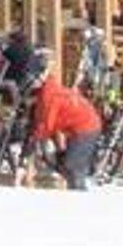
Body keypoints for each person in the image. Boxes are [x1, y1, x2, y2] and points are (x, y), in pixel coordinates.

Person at [29, 54, 103, 190]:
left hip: (86, 126)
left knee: (72, 166)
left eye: (33, 76)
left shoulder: (50, 95)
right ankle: (74, 187)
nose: (31, 81)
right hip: (76, 127)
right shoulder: (46, 90)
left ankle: (78, 191)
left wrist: (37, 139)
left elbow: (47, 124)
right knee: (65, 164)